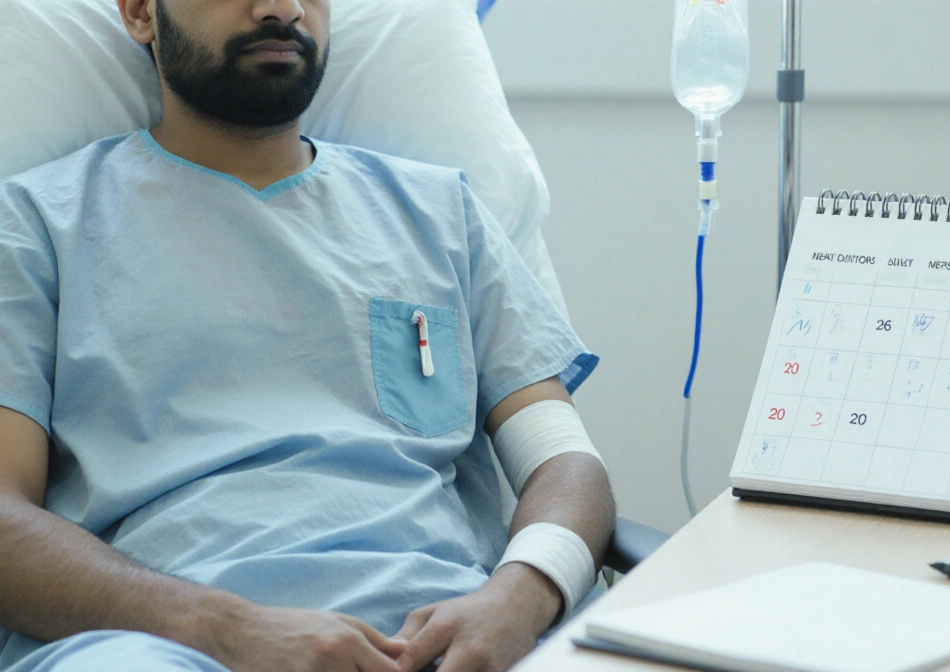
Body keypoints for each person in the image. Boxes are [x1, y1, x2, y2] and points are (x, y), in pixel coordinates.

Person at [0, 0, 615, 670]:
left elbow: (565, 461)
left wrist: (521, 595)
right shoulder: (38, 229)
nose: (281, 9)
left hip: (449, 637)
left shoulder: (440, 215)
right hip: (163, 645)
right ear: (143, 13)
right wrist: (223, 628)